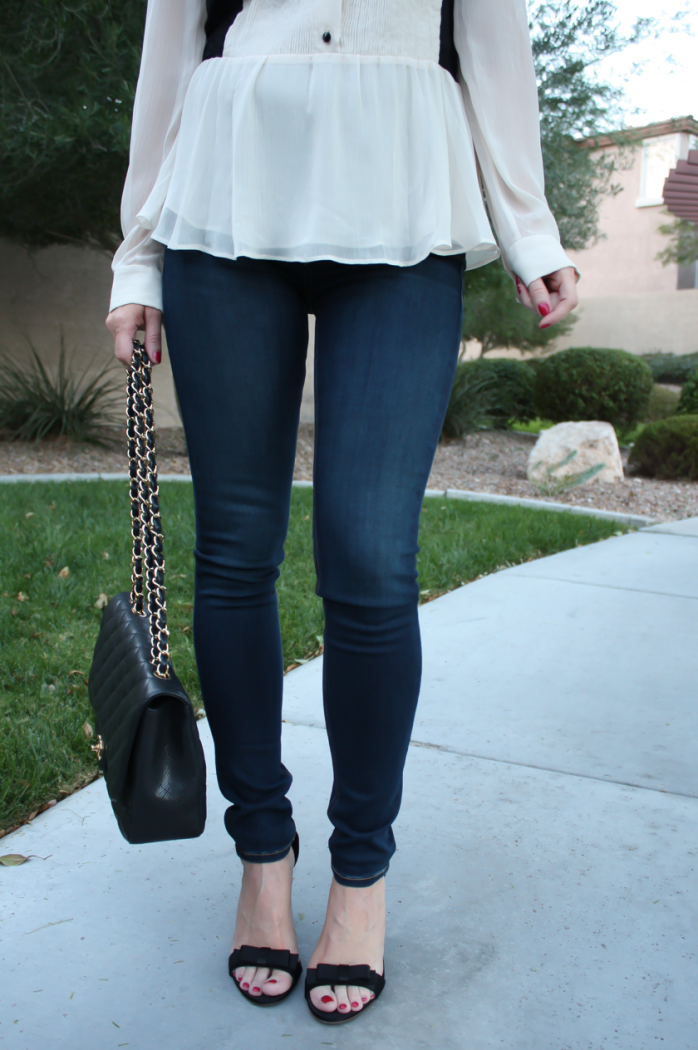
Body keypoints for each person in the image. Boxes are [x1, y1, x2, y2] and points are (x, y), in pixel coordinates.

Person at [106, 0, 578, 1025]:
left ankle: (359, 875)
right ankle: (262, 855)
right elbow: (170, 48)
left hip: (403, 172)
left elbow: (494, 48)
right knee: (234, 552)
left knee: (369, 555)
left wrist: (527, 225)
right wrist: (137, 257)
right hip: (229, 176)